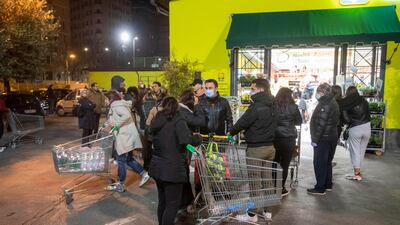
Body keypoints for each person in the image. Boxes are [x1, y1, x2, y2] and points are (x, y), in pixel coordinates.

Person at [228, 79, 277, 222]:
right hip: (270, 148)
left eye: (253, 88)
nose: (251, 91)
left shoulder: (256, 107)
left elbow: (243, 122)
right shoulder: (274, 105)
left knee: (255, 182)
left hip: (256, 149)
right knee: (268, 180)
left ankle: (252, 215)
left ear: (261, 90)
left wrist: (231, 132)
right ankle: (268, 212)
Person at [149, 96, 202, 225]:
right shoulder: (178, 120)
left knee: (163, 202)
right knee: (172, 204)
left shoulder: (157, 119)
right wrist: (197, 138)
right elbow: (185, 140)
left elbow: (149, 135)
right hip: (173, 169)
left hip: (157, 167)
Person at [105, 91, 150, 192]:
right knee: (128, 159)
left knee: (121, 159)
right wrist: (107, 125)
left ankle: (120, 183)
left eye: (106, 99)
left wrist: (116, 125)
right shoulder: (116, 105)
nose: (105, 101)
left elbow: (126, 116)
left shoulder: (116, 106)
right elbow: (114, 119)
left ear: (111, 99)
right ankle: (144, 173)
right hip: (126, 136)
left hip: (125, 137)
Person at [308, 83, 339, 196]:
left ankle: (320, 188)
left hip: (323, 138)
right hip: (332, 136)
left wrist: (315, 139)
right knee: (327, 162)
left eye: (318, 92)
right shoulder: (333, 101)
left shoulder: (324, 103)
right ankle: (327, 184)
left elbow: (321, 123)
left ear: (322, 92)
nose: (317, 94)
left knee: (319, 163)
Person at [178, 90, 205, 210]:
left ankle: (185, 200)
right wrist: (198, 106)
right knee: (183, 172)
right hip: (183, 148)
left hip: (180, 148)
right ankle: (185, 202)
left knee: (184, 171)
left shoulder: (181, 110)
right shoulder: (183, 111)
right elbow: (200, 121)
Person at [274, 87, 302, 197]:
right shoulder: (293, 107)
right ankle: (281, 189)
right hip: (289, 138)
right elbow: (299, 121)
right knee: (285, 164)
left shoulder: (273, 106)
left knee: (274, 163)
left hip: (275, 137)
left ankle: (273, 185)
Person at [341, 86, 371, 181]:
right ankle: (358, 171)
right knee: (361, 151)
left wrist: (348, 123)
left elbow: (346, 119)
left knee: (354, 152)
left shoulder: (347, 103)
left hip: (355, 128)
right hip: (367, 127)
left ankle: (357, 174)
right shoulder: (364, 101)